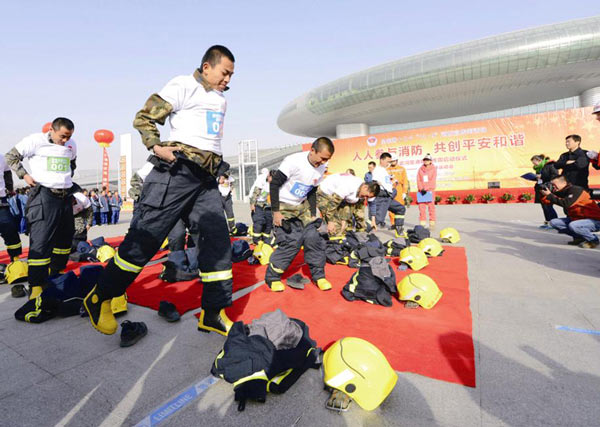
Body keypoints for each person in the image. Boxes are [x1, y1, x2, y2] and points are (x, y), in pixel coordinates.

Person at [83, 45, 236, 336]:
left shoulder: (220, 100)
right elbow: (144, 117)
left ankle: (213, 313)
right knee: (145, 240)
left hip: (206, 180)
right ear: (207, 67)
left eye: (231, 75)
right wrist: (156, 145)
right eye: (224, 73)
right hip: (175, 173)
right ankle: (100, 296)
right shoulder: (184, 85)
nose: (228, 80)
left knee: (217, 244)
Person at [5, 117, 77, 299]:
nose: (65, 140)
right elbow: (11, 156)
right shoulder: (35, 141)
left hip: (65, 196)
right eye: (62, 136)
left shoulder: (71, 144)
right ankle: (36, 285)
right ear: (52, 130)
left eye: (68, 137)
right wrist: (25, 175)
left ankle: (56, 273)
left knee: (65, 238)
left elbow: (72, 163)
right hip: (44, 195)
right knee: (41, 240)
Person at [266, 137, 334, 292]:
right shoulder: (293, 161)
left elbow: (312, 190)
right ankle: (272, 277)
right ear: (312, 151)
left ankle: (319, 276)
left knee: (313, 238)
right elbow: (274, 184)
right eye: (322, 158)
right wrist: (276, 212)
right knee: (292, 241)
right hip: (283, 205)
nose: (323, 162)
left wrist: (313, 212)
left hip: (302, 205)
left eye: (327, 159)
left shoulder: (322, 166)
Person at [541, 175, 600, 248]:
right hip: (577, 219)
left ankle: (593, 240)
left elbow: (567, 204)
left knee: (573, 225)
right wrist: (543, 194)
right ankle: (579, 238)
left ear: (564, 183)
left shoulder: (576, 190)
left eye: (554, 185)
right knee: (554, 222)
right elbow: (547, 202)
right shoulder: (562, 191)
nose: (552, 186)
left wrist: (550, 195)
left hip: (594, 220)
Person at [317, 172, 379, 238]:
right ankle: (334, 241)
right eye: (366, 195)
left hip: (341, 198)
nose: (365, 198)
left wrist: (362, 228)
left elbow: (359, 211)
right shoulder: (350, 186)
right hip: (325, 193)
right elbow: (333, 204)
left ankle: (340, 237)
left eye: (368, 197)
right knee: (335, 227)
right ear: (365, 187)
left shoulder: (361, 191)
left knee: (344, 226)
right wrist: (330, 221)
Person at [371, 152, 406, 235]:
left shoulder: (384, 170)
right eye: (387, 161)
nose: (388, 163)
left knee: (400, 208)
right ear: (382, 160)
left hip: (389, 196)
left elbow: (386, 181)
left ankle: (399, 230)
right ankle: (364, 234)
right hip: (382, 196)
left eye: (390, 162)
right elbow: (375, 182)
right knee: (378, 219)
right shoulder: (377, 170)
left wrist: (392, 182)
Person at [0, 154, 22, 261]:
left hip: (1, 202)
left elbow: (7, 173)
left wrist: (10, 188)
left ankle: (16, 259)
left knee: (10, 232)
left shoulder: (1, 158)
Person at [530, 154, 559, 229]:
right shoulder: (538, 168)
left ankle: (555, 223)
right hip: (541, 187)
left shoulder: (550, 165)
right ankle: (547, 222)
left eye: (534, 162)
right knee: (544, 206)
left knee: (548, 206)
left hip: (548, 188)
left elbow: (555, 175)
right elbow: (540, 179)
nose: (534, 164)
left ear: (539, 160)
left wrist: (542, 176)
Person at [249, 169, 274, 245]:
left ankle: (265, 239)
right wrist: (252, 204)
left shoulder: (274, 182)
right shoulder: (262, 180)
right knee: (259, 221)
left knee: (268, 222)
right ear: (268, 176)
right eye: (271, 179)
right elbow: (256, 192)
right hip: (257, 202)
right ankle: (256, 240)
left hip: (267, 204)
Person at [387, 153, 410, 227]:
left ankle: (399, 224)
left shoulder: (402, 169)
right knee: (391, 208)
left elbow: (405, 181)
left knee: (400, 207)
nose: (392, 162)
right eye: (391, 161)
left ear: (396, 160)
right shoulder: (387, 170)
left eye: (394, 161)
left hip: (399, 189)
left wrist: (404, 192)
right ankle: (393, 223)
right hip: (391, 189)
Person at [416, 154, 437, 229]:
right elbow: (418, 179)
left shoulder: (433, 169)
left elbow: (433, 180)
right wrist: (421, 188)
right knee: (421, 208)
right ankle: (422, 223)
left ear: (431, 161)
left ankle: (432, 224)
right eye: (425, 159)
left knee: (431, 208)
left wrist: (426, 188)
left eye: (427, 160)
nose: (426, 161)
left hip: (430, 190)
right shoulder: (420, 169)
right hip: (421, 191)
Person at [71, 187, 94, 251]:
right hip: (69, 215)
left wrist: (89, 224)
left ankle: (82, 245)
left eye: (73, 203)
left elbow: (90, 212)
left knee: (81, 229)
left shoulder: (82, 198)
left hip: (81, 212)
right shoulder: (63, 203)